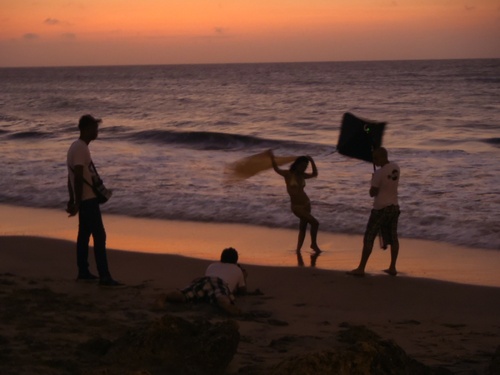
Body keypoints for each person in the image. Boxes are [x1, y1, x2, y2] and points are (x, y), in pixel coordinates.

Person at [66, 114, 121, 286]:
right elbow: (78, 175)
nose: (96, 131)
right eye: (94, 128)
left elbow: (70, 177)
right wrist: (76, 201)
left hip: (84, 199)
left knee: (84, 235)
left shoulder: (75, 147)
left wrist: (73, 198)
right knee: (99, 235)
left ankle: (83, 271)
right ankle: (104, 275)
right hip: (88, 200)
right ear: (86, 129)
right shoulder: (81, 148)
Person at [348, 147, 401, 277]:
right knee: (393, 237)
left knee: (369, 237)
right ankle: (392, 267)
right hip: (394, 206)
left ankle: (361, 268)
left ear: (382, 157)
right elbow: (388, 181)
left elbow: (373, 193)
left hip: (380, 208)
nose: (374, 161)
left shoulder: (378, 174)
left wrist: (373, 181)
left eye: (375, 158)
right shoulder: (396, 167)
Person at [158, 247, 247, 315]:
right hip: (220, 282)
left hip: (203, 280)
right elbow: (242, 291)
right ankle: (226, 305)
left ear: (221, 258)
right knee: (221, 296)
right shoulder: (237, 269)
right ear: (235, 260)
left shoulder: (212, 265)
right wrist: (244, 277)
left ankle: (166, 296)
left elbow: (208, 285)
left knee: (186, 294)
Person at [267, 150, 322, 257]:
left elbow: (315, 174)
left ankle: (298, 250)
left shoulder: (303, 176)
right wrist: (272, 158)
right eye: (303, 165)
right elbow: (276, 169)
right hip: (296, 207)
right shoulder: (288, 174)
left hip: (306, 204)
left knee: (302, 227)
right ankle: (313, 244)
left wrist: (311, 161)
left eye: (306, 166)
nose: (304, 168)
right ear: (297, 165)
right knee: (315, 223)